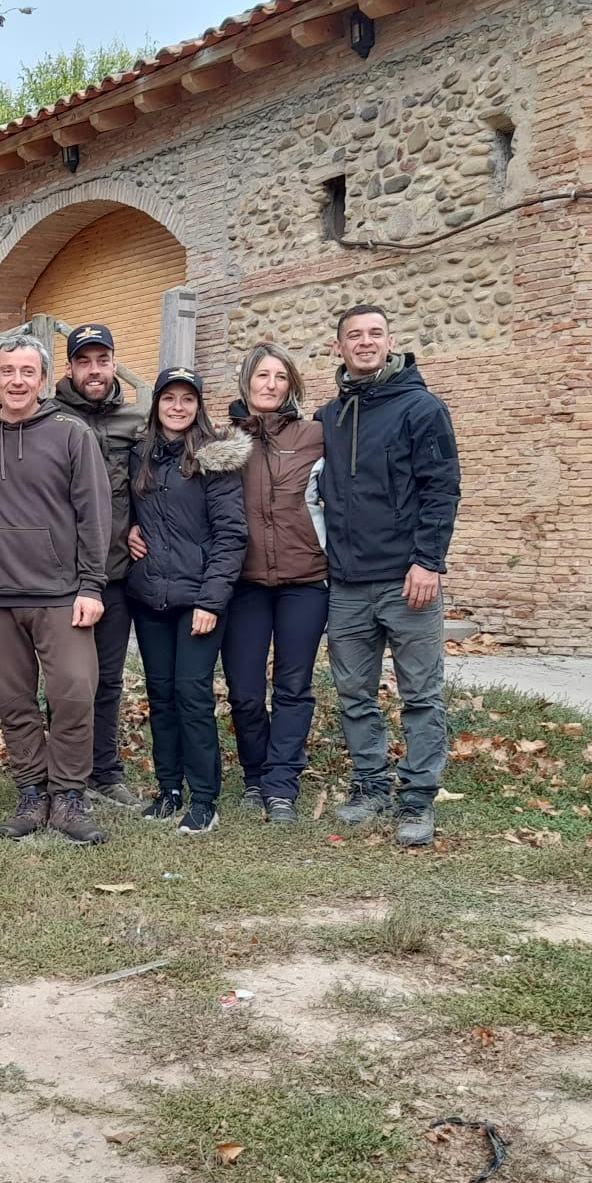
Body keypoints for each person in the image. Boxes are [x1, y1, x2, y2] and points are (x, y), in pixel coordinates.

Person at [317, 304, 461, 848]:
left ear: (390, 341)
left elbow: (441, 488)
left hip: (408, 580)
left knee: (421, 695)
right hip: (347, 584)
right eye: (354, 335)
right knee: (354, 693)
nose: (365, 342)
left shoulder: (421, 408)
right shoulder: (330, 416)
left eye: (375, 334)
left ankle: (419, 798)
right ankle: (370, 786)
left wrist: (429, 561)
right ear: (339, 347)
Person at [0, 333, 112, 845]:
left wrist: (92, 585)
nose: (18, 381)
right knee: (13, 701)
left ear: (45, 378)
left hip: (60, 592)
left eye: (28, 372)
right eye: (8, 371)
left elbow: (95, 515)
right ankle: (32, 792)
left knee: (74, 693)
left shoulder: (72, 433)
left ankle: (69, 795)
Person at [125, 367, 248, 835]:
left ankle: (204, 796)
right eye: (169, 398)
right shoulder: (141, 454)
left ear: (199, 406)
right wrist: (129, 533)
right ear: (157, 403)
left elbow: (231, 534)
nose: (178, 407)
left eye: (188, 400)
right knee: (161, 695)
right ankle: (168, 787)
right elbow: (122, 510)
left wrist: (212, 601)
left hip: (199, 597)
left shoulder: (213, 459)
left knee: (192, 693)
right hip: (150, 594)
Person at [220, 343, 328, 826]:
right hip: (243, 582)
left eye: (280, 377)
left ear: (292, 386)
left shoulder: (315, 435)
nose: (270, 384)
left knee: (292, 686)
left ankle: (281, 784)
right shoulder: (222, 440)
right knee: (243, 689)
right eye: (262, 375)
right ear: (247, 383)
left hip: (304, 580)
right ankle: (254, 776)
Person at [52, 324, 148, 810]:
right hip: (58, 579)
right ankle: (62, 770)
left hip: (113, 574)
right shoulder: (48, 416)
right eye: (83, 361)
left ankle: (105, 770)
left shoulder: (137, 421)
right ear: (69, 367)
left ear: (114, 363)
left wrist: (145, 527)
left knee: (107, 679)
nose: (94, 370)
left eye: (102, 360)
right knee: (65, 683)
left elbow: (154, 484)